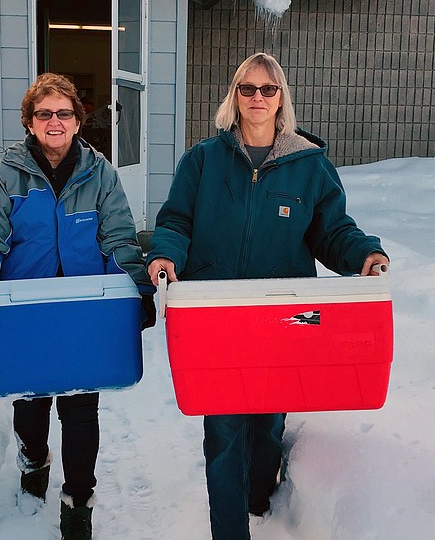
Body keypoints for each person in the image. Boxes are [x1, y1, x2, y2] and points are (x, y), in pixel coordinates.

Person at [146, 52, 389, 540]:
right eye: (248, 88)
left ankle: (259, 497)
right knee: (223, 430)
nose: (257, 97)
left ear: (281, 99)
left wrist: (364, 254)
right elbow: (176, 220)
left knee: (267, 422)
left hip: (283, 316)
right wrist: (166, 254)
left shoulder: (310, 165)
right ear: (234, 96)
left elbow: (332, 231)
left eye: (268, 89)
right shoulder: (202, 160)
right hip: (216, 313)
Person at [0, 72, 155, 540]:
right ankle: (34, 459)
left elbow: (118, 239)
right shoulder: (6, 173)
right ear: (29, 122)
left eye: (64, 113)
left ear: (78, 121)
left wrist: (138, 292)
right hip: (25, 308)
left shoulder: (100, 173)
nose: (55, 122)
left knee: (81, 408)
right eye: (44, 114)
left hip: (84, 309)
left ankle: (78, 501)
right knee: (32, 400)